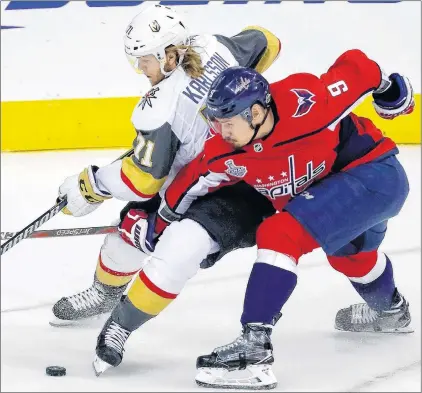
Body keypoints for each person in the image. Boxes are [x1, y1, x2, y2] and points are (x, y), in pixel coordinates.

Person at [123, 55, 412, 389]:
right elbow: (190, 181)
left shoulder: (310, 102)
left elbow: (360, 68)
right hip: (339, 195)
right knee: (351, 256)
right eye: (214, 121)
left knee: (279, 233)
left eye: (227, 121)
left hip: (374, 174)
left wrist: (391, 93)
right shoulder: (225, 149)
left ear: (256, 113)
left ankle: (253, 350)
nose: (219, 130)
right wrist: (159, 225)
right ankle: (391, 310)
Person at [52, 4, 281, 326]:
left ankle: (106, 293)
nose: (140, 69)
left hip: (196, 181)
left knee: (132, 231)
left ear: (168, 56)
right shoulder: (213, 47)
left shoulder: (158, 108)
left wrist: (94, 185)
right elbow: (267, 41)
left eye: (143, 61)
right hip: (246, 167)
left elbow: (143, 181)